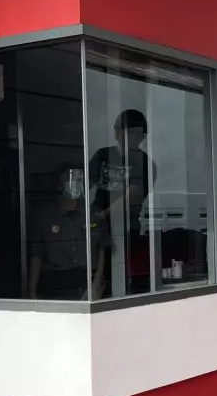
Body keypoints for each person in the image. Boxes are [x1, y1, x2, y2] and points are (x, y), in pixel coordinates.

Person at [88, 109, 156, 296]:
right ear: (117, 132)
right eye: (127, 131)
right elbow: (86, 185)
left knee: (117, 276)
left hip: (125, 227)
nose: (132, 137)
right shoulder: (103, 155)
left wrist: (107, 213)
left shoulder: (145, 163)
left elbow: (134, 194)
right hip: (96, 223)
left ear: (142, 136)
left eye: (137, 133)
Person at [28, 163, 107, 300]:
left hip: (86, 279)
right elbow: (36, 255)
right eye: (70, 180)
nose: (76, 184)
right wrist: (31, 290)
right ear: (59, 185)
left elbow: (102, 246)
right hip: (55, 281)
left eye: (79, 180)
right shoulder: (44, 215)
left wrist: (97, 280)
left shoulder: (93, 212)